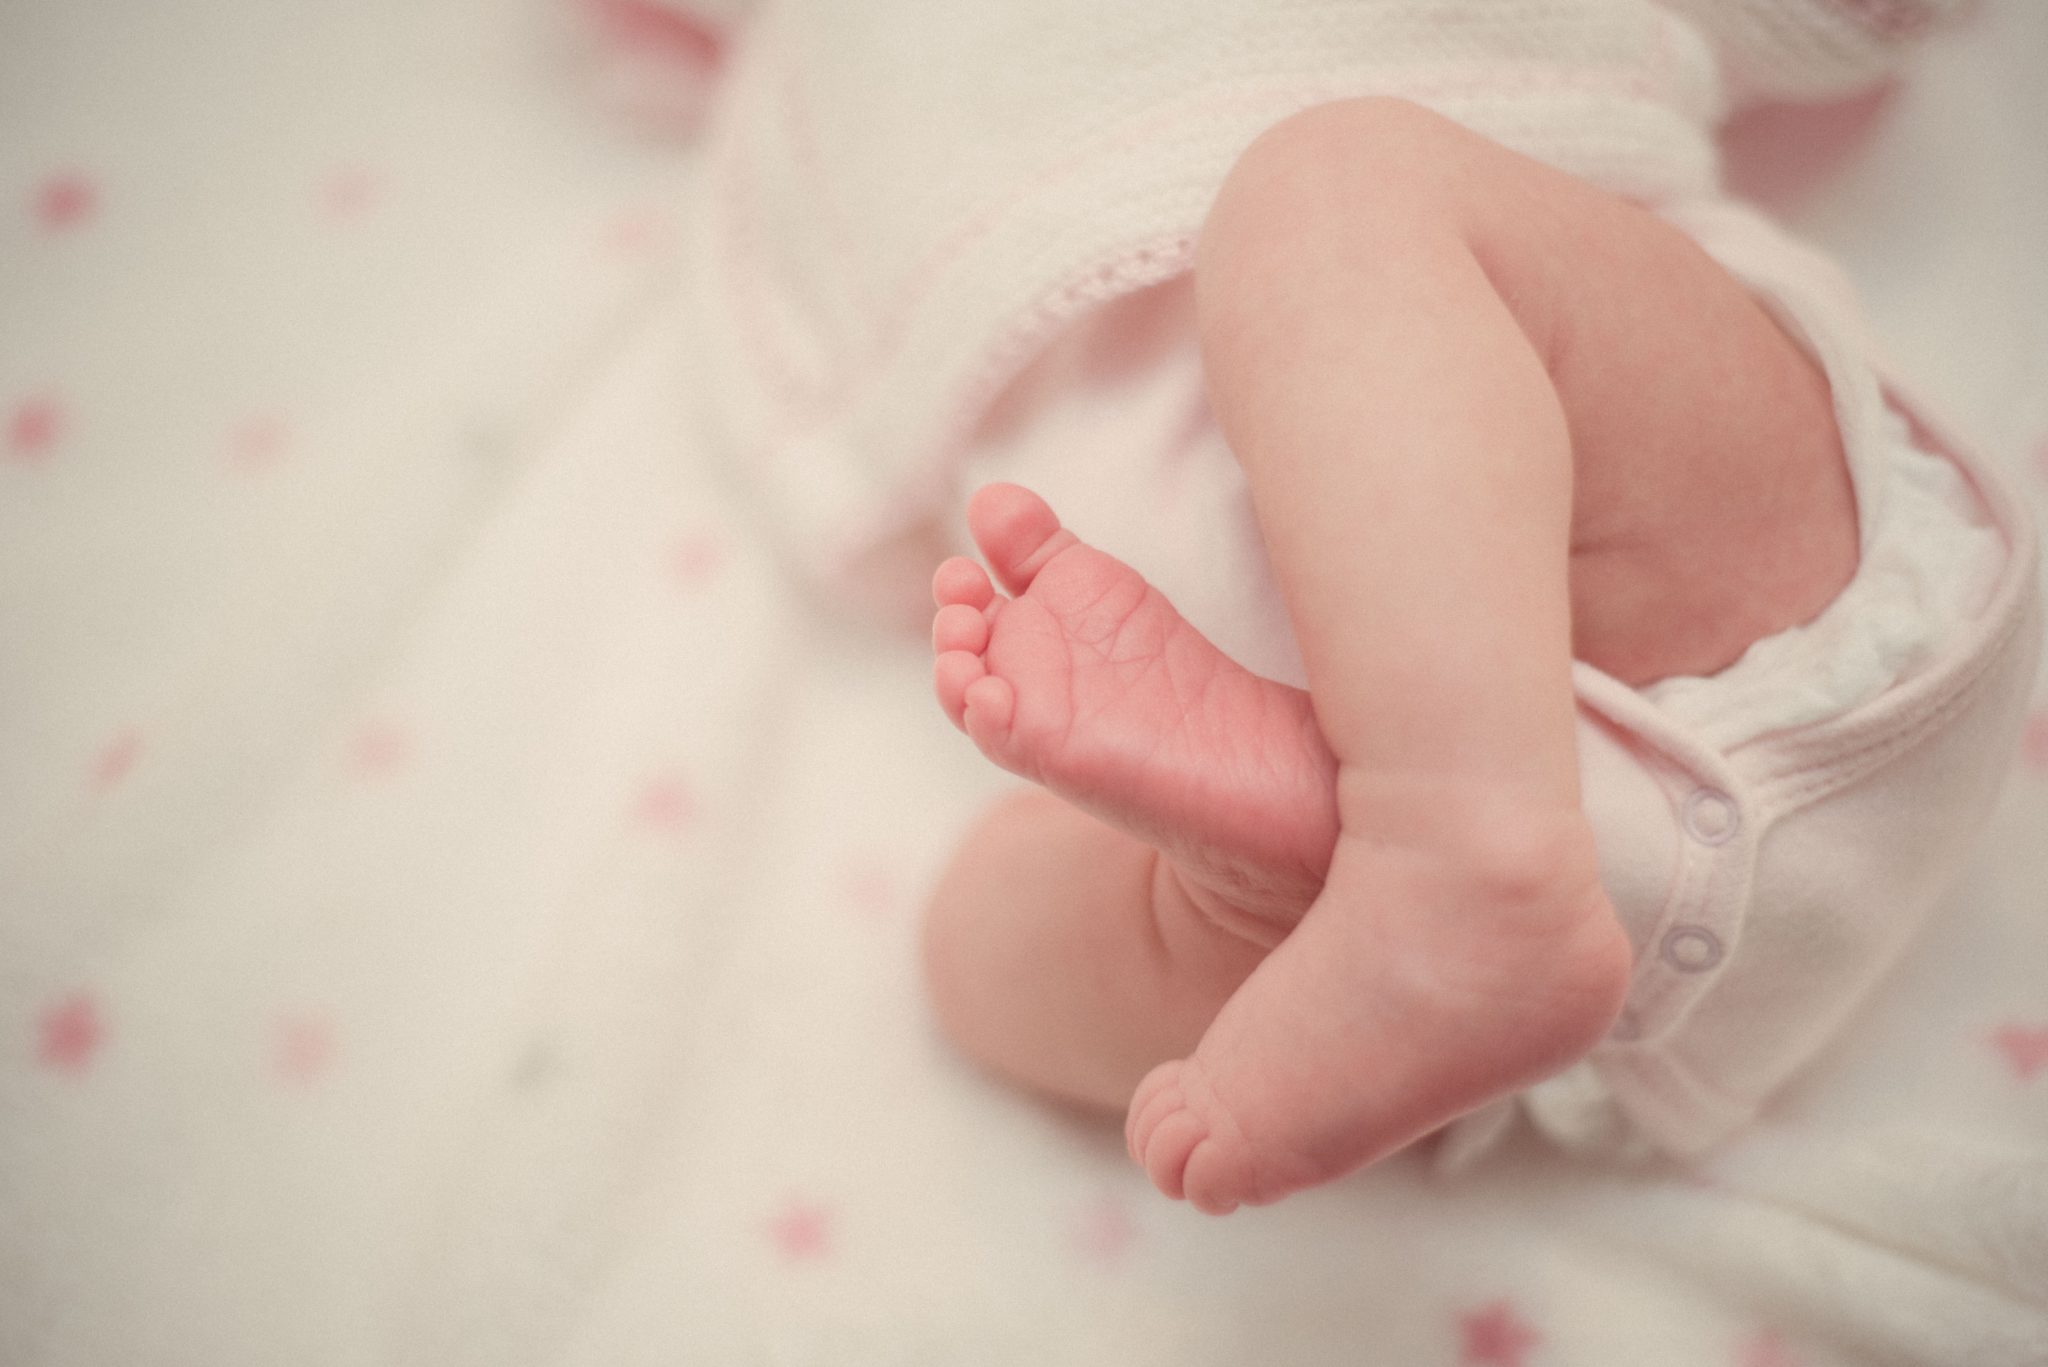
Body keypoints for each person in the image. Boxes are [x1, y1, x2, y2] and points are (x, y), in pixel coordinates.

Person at [917, 95, 2038, 1215]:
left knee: (1332, 190)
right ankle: (1291, 899)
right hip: (1397, 904)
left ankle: (1449, 847)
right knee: (965, 940)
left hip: (1681, 546)